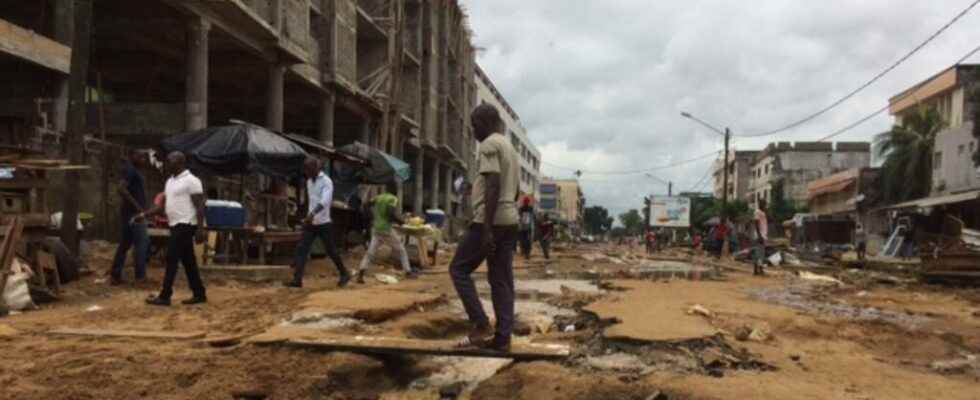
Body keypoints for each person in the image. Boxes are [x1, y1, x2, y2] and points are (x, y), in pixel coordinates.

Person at [449, 103, 520, 352]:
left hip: (490, 221)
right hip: (510, 220)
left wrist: (487, 228)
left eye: (474, 124)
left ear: (486, 122)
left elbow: (493, 184)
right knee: (501, 280)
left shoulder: (489, 144)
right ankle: (503, 338)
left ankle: (480, 324)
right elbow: (516, 189)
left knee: (458, 269)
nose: (473, 130)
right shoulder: (510, 148)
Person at [139, 152, 208, 306]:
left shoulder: (192, 181)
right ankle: (199, 293)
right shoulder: (170, 181)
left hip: (186, 224)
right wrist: (145, 214)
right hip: (174, 224)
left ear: (180, 162)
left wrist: (200, 228)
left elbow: (200, 205)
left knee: (171, 258)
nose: (167, 164)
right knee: (188, 261)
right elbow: (162, 206)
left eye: (169, 161)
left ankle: (165, 295)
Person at [287, 158, 351, 288]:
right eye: (305, 170)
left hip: (323, 222)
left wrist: (311, 214)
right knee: (302, 249)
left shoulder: (327, 181)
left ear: (316, 168)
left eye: (308, 170)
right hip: (311, 223)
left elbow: (324, 201)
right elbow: (311, 201)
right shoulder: (309, 182)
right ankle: (297, 280)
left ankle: (344, 273)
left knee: (331, 250)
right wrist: (305, 215)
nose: (307, 173)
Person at [356, 190, 416, 283]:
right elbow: (391, 213)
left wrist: (371, 216)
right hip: (386, 229)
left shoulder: (379, 197)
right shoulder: (393, 199)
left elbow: (365, 204)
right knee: (401, 250)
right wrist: (402, 222)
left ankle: (361, 274)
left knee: (370, 253)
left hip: (376, 228)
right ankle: (408, 272)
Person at [110, 149, 149, 285]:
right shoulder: (131, 170)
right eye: (140, 156)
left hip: (129, 213)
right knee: (141, 244)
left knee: (125, 244)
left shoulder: (134, 170)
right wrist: (138, 208)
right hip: (134, 214)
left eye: (144, 157)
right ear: (132, 156)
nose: (143, 159)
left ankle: (115, 275)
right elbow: (121, 188)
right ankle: (140, 276)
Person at [753, 200, 769, 276]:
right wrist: (759, 236)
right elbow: (756, 223)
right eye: (764, 204)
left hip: (763, 235)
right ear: (760, 204)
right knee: (759, 253)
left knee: (760, 253)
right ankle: (758, 270)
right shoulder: (757, 212)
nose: (765, 205)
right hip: (760, 235)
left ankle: (757, 270)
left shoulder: (762, 212)